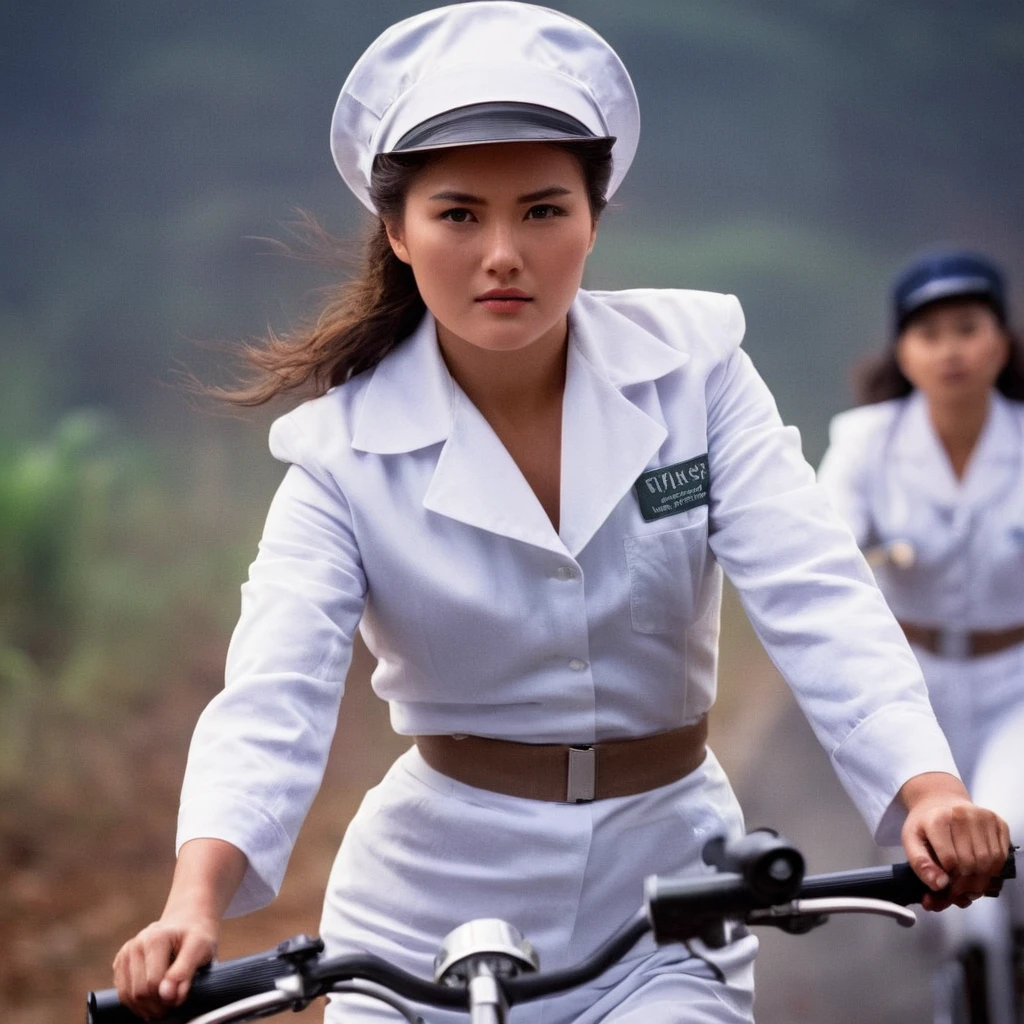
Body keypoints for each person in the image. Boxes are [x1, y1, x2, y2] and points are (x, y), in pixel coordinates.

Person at [113, 7, 1010, 1022]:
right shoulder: (338, 453)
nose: (504, 252)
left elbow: (815, 589)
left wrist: (926, 789)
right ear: (399, 233)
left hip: (672, 897)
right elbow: (274, 695)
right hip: (422, 920)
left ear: (593, 217)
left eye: (542, 210)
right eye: (458, 214)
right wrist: (195, 901)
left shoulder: (695, 371)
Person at [818, 249, 1024, 1023]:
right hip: (913, 689)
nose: (952, 349)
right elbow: (820, 554)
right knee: (933, 884)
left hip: (1016, 685)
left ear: (1001, 341)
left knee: (997, 842)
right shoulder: (868, 443)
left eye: (969, 328)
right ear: (903, 351)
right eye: (930, 333)